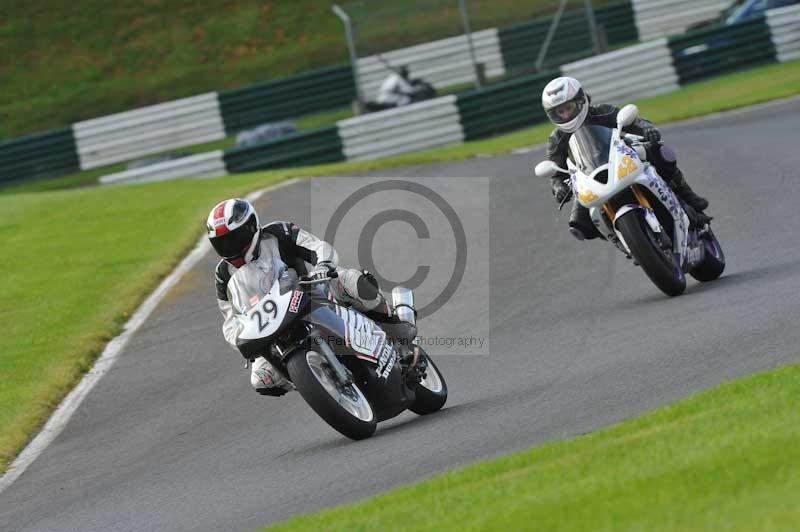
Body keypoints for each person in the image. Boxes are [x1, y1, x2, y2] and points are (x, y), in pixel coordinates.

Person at [206, 198, 409, 397]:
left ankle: (398, 326)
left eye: (233, 239)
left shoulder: (278, 233)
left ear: (251, 227)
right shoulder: (223, 274)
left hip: (311, 292)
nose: (229, 247)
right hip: (270, 329)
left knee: (353, 281)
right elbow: (230, 322)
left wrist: (322, 267)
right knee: (261, 379)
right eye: (221, 243)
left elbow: (319, 247)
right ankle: (320, 383)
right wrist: (241, 338)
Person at [541, 76, 710, 240]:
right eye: (560, 112)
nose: (565, 115)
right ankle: (621, 237)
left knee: (661, 153)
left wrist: (647, 129)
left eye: (568, 108)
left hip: (622, 159)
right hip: (590, 178)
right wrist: (558, 187)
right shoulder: (557, 139)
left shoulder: (602, 112)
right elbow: (555, 171)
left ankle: (688, 197)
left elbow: (635, 121)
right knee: (579, 226)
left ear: (580, 101)